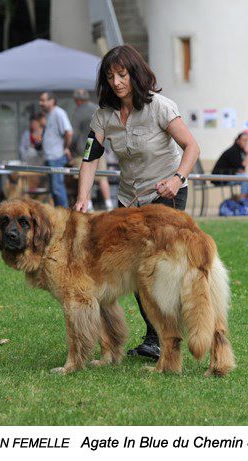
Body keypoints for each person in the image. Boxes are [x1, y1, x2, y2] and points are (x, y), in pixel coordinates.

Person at [74, 44, 200, 360]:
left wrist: (178, 179)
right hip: (129, 200)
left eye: (122, 74)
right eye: (110, 76)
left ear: (135, 73)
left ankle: (167, 336)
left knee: (159, 270)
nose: (116, 82)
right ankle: (156, 337)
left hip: (165, 195)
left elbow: (191, 147)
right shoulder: (103, 116)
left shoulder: (160, 107)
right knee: (135, 270)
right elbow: (90, 159)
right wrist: (82, 198)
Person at [72, 88, 114, 211]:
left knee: (86, 177)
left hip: (83, 150)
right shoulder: (97, 109)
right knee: (103, 178)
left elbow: (73, 135)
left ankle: (88, 205)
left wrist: (70, 148)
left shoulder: (77, 112)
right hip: (100, 149)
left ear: (77, 100)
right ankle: (109, 204)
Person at [39, 91, 73, 207]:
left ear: (51, 101)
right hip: (51, 157)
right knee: (54, 189)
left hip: (56, 157)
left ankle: (64, 215)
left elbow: (68, 132)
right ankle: (59, 213)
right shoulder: (49, 114)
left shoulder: (59, 113)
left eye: (43, 100)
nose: (40, 103)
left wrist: (65, 148)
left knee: (57, 188)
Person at [211, 131, 248, 199]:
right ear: (238, 140)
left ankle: (247, 199)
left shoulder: (239, 151)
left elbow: (241, 169)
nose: (246, 142)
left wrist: (246, 154)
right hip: (221, 177)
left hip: (229, 175)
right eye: (244, 140)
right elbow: (241, 169)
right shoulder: (233, 151)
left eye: (247, 140)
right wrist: (247, 154)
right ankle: (243, 200)